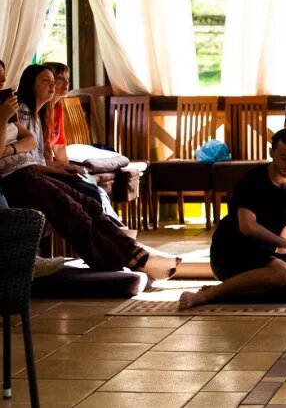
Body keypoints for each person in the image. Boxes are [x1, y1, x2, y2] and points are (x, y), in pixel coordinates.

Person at [0, 66, 178, 279]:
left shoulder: (9, 110)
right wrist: (4, 124)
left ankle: (135, 252)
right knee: (70, 208)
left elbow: (29, 141)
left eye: (3, 73)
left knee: (89, 202)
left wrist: (11, 147)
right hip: (12, 178)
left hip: (28, 170)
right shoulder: (9, 111)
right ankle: (124, 260)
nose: (3, 78)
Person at [179, 128, 286, 309]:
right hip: (233, 252)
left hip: (264, 254)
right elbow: (247, 227)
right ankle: (209, 294)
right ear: (272, 153)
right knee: (285, 275)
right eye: (284, 157)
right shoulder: (253, 180)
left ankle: (244, 290)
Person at [14, 64, 123, 226]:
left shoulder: (37, 114)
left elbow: (49, 152)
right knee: (86, 192)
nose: (54, 85)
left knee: (90, 187)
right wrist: (58, 168)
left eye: (53, 81)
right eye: (47, 81)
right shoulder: (23, 113)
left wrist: (62, 166)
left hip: (42, 169)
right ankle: (115, 232)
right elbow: (27, 161)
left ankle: (116, 230)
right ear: (31, 85)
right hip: (30, 176)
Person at [40, 61, 70, 164]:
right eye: (61, 78)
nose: (66, 83)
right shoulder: (40, 109)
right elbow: (45, 148)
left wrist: (68, 168)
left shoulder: (58, 107)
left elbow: (59, 146)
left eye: (67, 79)